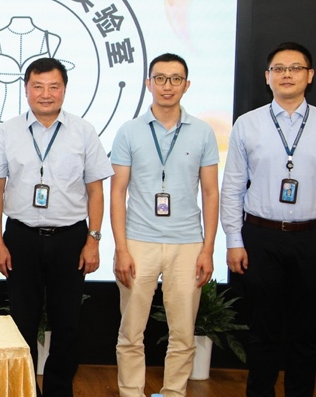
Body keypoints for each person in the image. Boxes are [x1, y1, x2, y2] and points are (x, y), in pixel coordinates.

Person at [221, 42, 316, 397]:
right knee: (261, 332)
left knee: (305, 333)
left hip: (313, 238)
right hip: (261, 237)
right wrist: (234, 241)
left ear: (310, 76)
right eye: (278, 69)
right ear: (267, 77)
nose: (286, 74)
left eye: (295, 68)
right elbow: (232, 187)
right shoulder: (247, 124)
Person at [0, 57, 113, 397]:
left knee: (67, 322)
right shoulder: (7, 131)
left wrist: (93, 240)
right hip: (21, 236)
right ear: (26, 89)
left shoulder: (83, 131)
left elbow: (96, 191)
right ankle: (25, 389)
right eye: (38, 86)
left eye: (54, 86)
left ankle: (59, 390)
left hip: (70, 237)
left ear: (64, 90)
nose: (46, 94)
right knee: (22, 322)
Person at [109, 53, 220, 397]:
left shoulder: (203, 132)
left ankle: (174, 393)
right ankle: (131, 392)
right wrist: (121, 248)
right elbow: (117, 192)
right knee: (131, 331)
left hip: (187, 244)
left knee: (183, 334)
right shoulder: (128, 131)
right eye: (160, 78)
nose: (167, 86)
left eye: (175, 79)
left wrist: (208, 249)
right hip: (138, 241)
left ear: (187, 85)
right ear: (148, 83)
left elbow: (210, 192)